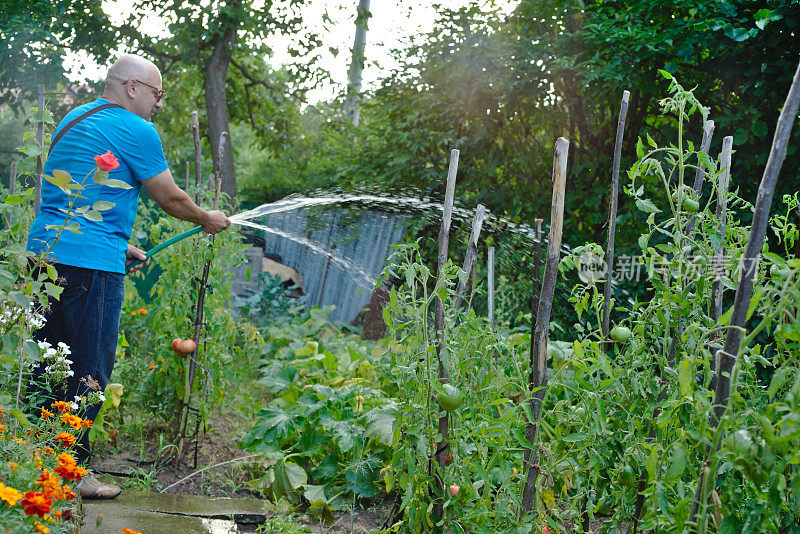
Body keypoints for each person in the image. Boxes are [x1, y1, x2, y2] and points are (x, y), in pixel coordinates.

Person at [25, 54, 231, 499]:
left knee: (46, 364)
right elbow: (170, 197)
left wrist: (119, 245)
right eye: (157, 94)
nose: (159, 104)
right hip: (91, 267)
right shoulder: (136, 128)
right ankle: (72, 472)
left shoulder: (73, 118)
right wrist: (205, 217)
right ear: (132, 87)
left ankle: (32, 462)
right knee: (88, 368)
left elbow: (70, 199)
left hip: (43, 257)